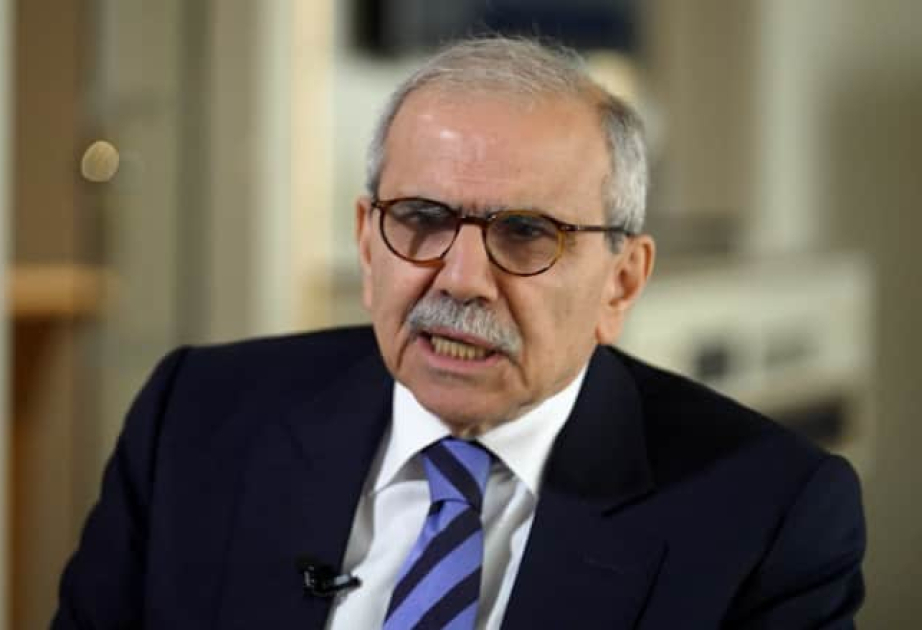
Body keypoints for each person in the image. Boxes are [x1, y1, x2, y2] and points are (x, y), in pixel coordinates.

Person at [53, 37, 865, 629]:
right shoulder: (195, 419)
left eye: (526, 233)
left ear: (621, 281)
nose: (461, 278)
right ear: (368, 244)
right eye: (422, 218)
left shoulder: (771, 517)